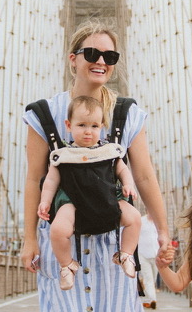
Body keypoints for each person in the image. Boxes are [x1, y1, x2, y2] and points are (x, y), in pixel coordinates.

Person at [21, 22, 172, 312]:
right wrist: (29, 236)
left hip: (112, 244)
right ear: (73, 58)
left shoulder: (126, 114)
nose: (101, 62)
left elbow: (143, 177)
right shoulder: (45, 116)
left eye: (110, 56)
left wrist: (162, 231)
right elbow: (35, 178)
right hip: (64, 245)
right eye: (92, 54)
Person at [37, 94, 142, 290]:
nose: (88, 131)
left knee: (135, 218)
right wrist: (45, 201)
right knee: (57, 230)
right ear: (68, 125)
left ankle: (126, 254)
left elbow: (122, 169)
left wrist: (128, 184)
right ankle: (67, 266)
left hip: (108, 199)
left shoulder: (109, 151)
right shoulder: (63, 155)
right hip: (74, 203)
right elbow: (51, 180)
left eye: (94, 126)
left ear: (101, 126)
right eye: (82, 125)